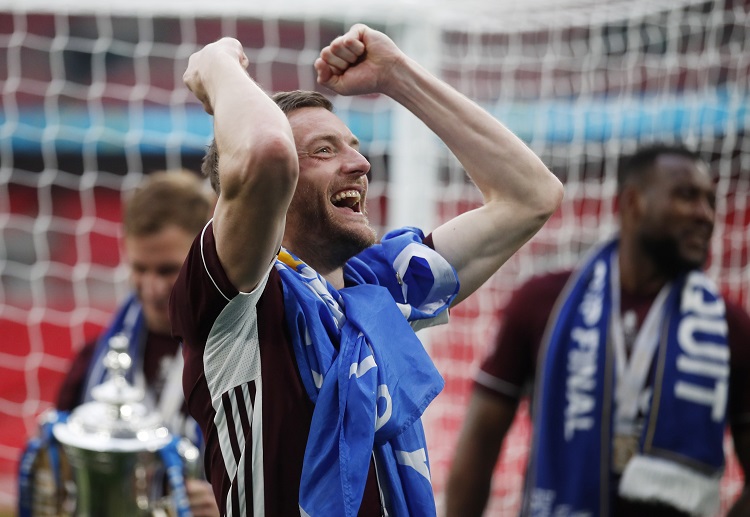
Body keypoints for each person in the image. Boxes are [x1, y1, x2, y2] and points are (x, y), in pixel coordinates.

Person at [170, 23, 563, 517]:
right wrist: (215, 64)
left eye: (352, 146)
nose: (359, 163)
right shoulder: (237, 297)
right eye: (323, 150)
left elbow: (531, 197)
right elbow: (266, 153)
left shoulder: (379, 292)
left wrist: (397, 75)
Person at [445, 144, 750, 517]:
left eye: (710, 201)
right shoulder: (544, 302)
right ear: (633, 203)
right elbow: (479, 446)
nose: (706, 216)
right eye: (687, 196)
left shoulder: (729, 325)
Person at [54, 169, 220, 517]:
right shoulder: (96, 359)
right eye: (140, 268)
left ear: (205, 255)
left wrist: (230, 505)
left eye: (167, 270)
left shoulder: (242, 358)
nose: (152, 288)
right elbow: (60, 464)